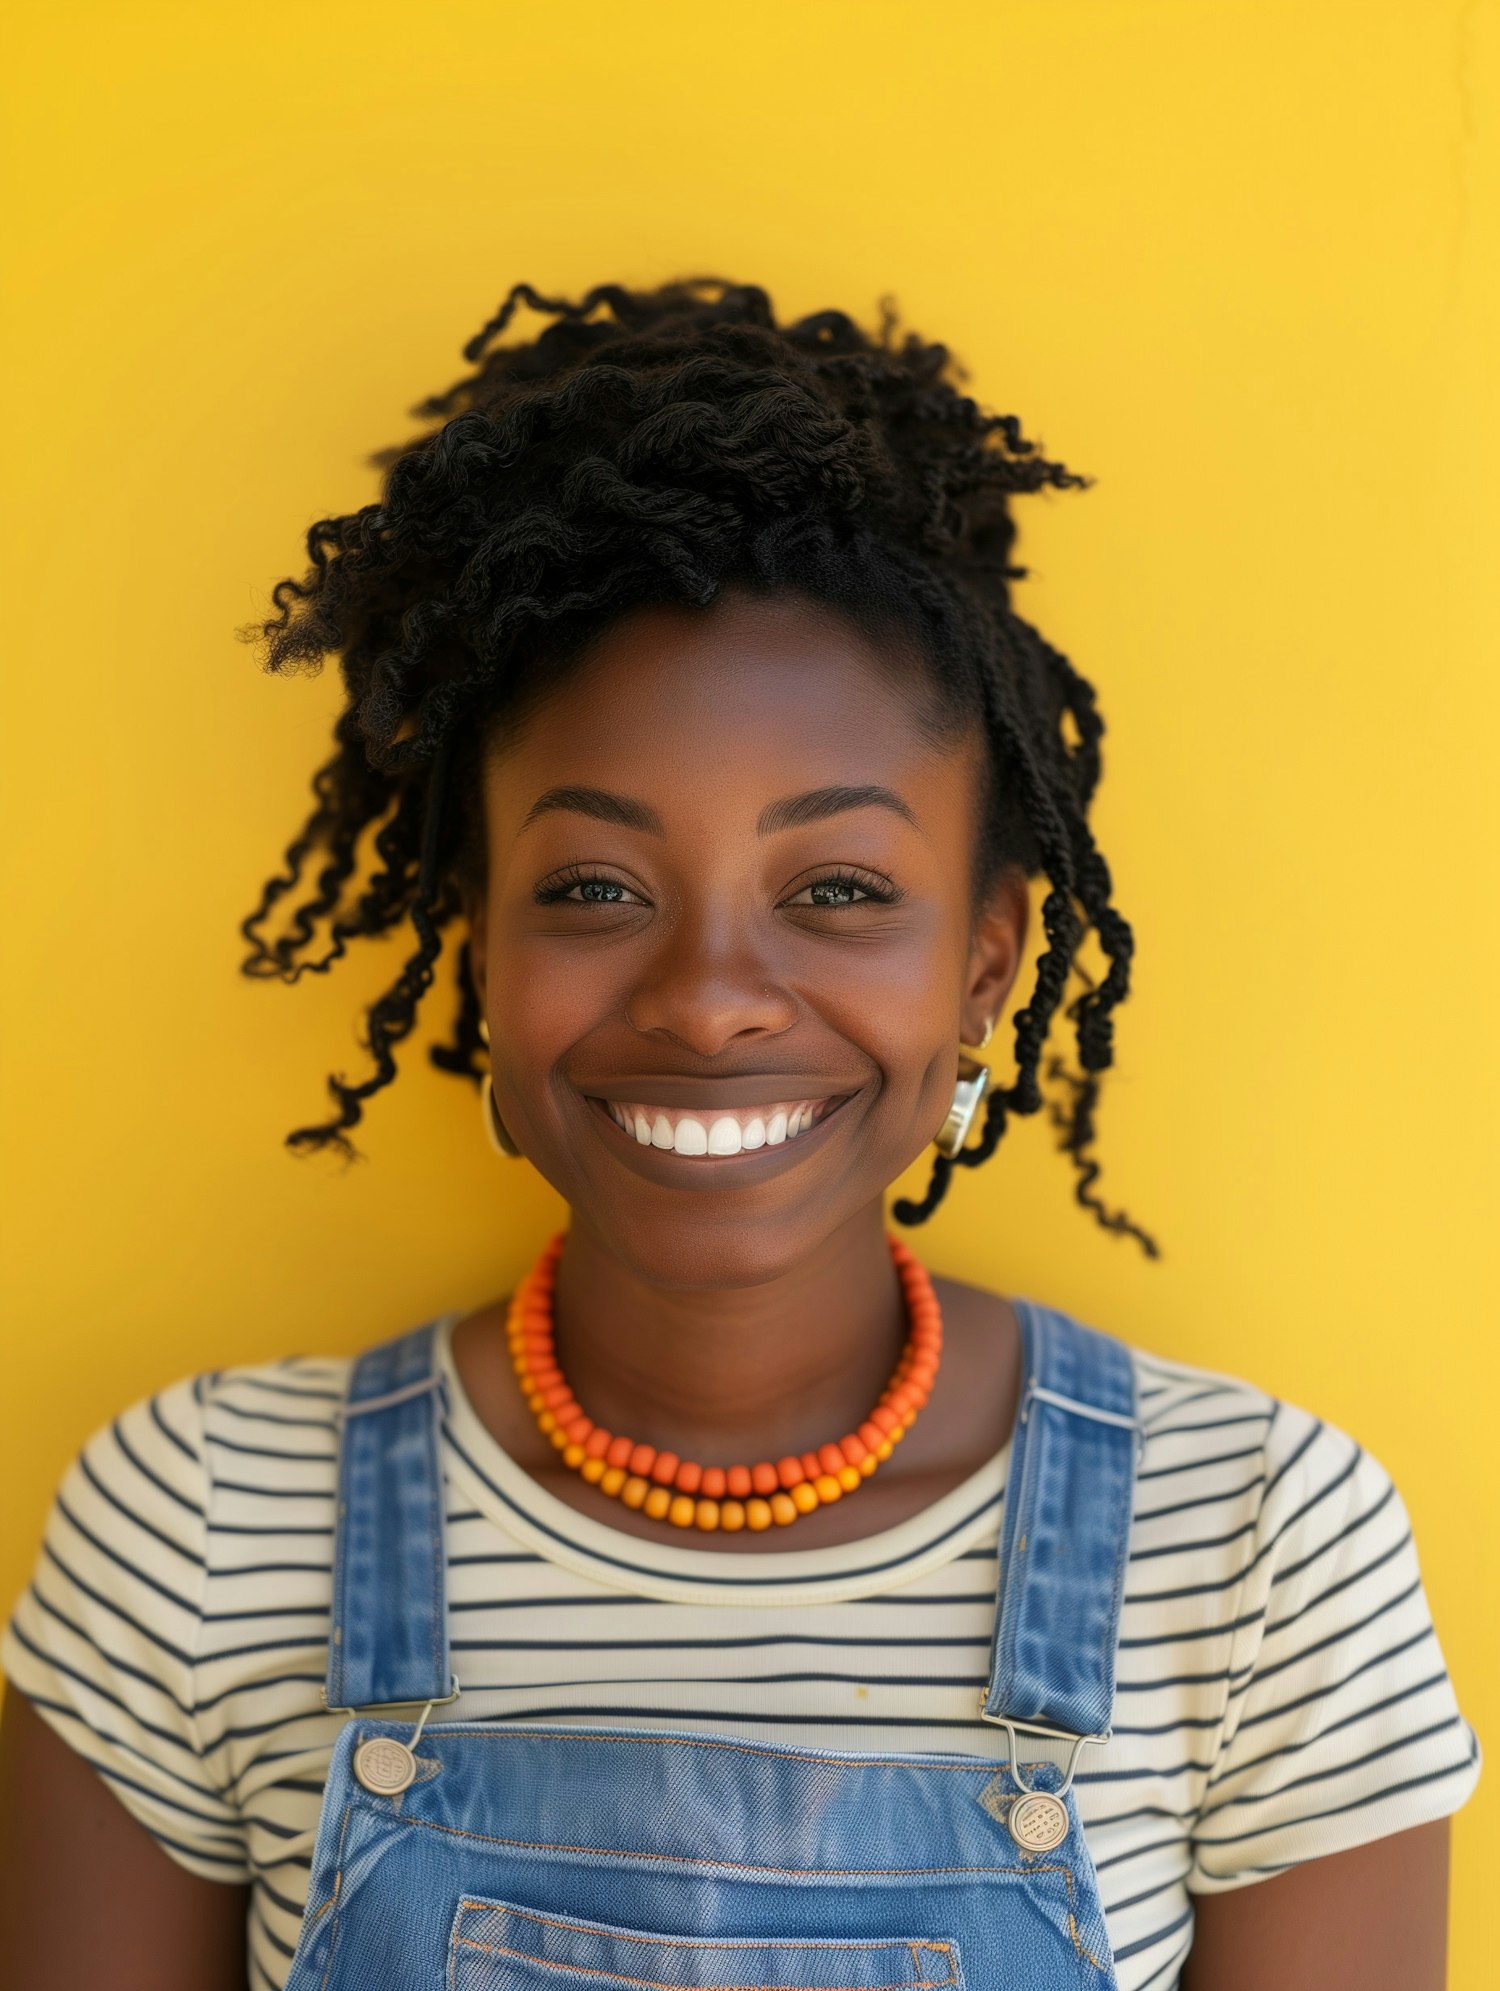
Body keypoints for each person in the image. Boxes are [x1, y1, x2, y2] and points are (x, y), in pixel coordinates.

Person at [0, 280, 1477, 1991]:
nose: (711, 1000)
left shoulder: (1258, 1551)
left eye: (839, 889)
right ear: (484, 944)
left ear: (985, 962)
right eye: (597, 888)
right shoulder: (201, 1525)